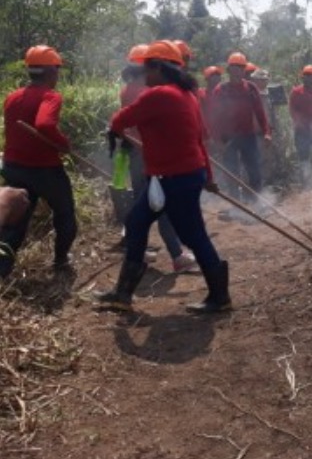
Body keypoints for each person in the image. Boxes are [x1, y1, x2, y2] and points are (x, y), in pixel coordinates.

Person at [95, 41, 230, 313]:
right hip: (178, 175)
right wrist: (209, 176)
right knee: (136, 222)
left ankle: (220, 297)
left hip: (174, 178)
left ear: (160, 68)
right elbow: (198, 141)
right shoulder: (187, 95)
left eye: (147, 68)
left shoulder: (157, 96)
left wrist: (122, 127)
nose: (144, 74)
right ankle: (123, 295)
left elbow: (119, 120)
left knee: (194, 235)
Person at [118, 43, 198, 273]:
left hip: (137, 152)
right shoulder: (148, 91)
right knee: (159, 203)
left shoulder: (128, 89)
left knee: (145, 203)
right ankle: (176, 254)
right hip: (147, 154)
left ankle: (138, 250)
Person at [0, 46, 77, 278]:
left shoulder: (13, 97)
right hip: (44, 170)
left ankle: (3, 269)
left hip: (13, 166)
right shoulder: (50, 96)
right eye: (57, 70)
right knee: (64, 213)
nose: (58, 75)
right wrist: (63, 144)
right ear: (51, 71)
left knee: (17, 219)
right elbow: (44, 124)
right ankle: (61, 261)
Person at [210, 52, 271, 200]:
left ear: (244, 70)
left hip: (248, 136)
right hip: (228, 138)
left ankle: (256, 201)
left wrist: (266, 132)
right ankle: (236, 203)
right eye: (234, 67)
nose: (237, 70)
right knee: (232, 172)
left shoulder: (251, 88)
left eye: (240, 67)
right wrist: (217, 140)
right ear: (228, 69)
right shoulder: (220, 90)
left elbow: (260, 113)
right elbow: (214, 118)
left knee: (254, 170)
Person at [289, 65, 312, 183]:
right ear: (303, 77)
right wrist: (297, 121)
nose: (309, 78)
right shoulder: (296, 91)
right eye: (307, 76)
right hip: (302, 130)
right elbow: (292, 108)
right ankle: (306, 180)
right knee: (303, 156)